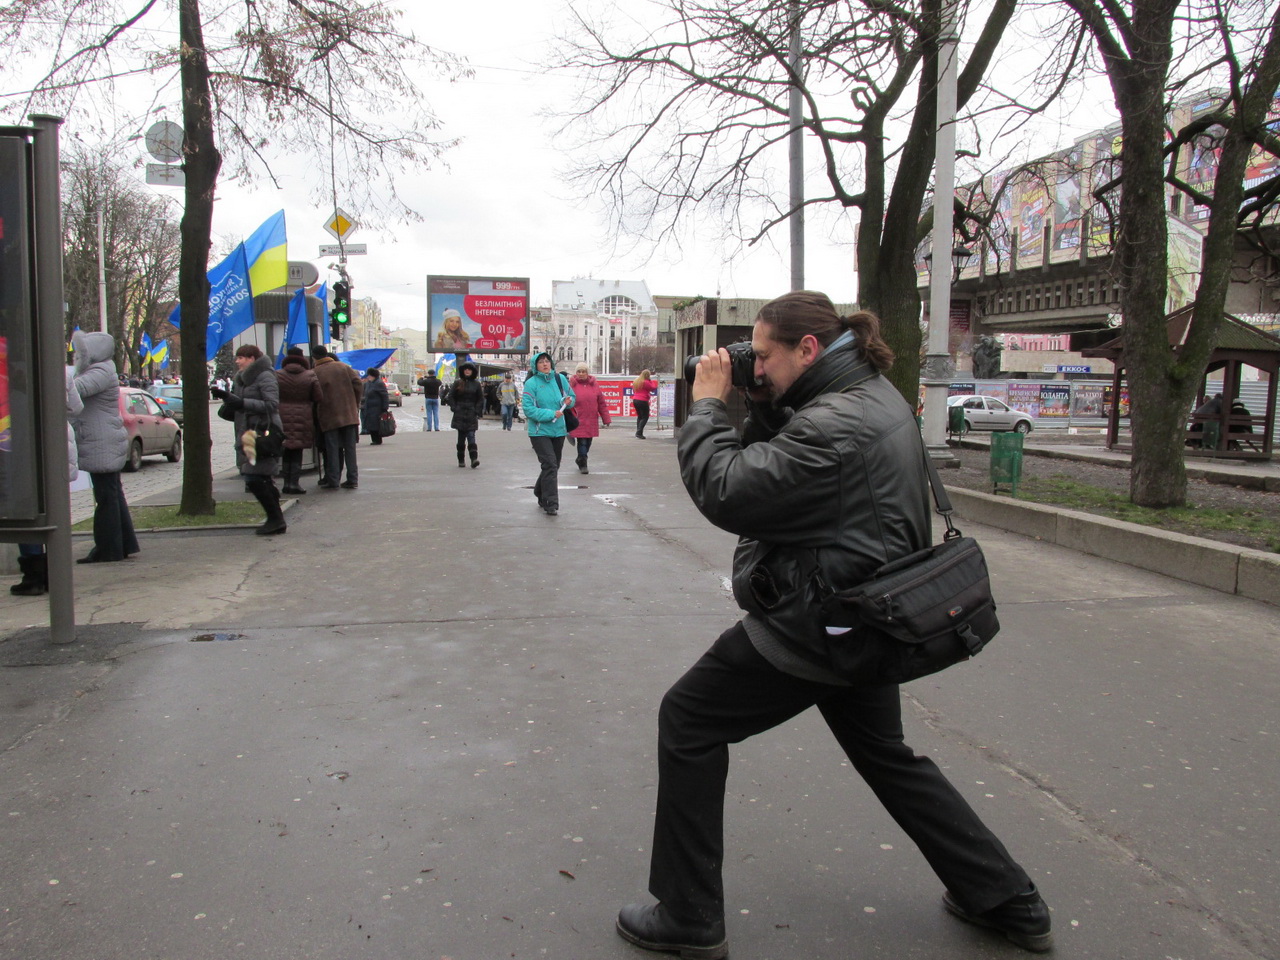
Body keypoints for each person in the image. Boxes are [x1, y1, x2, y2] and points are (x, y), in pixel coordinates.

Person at [615, 291, 1050, 959]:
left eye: (764, 355)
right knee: (887, 755)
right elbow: (790, 473)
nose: (756, 364)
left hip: (822, 623)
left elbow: (729, 490)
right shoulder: (869, 395)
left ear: (808, 348)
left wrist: (707, 408)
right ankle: (1008, 900)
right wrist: (764, 397)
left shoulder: (834, 425)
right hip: (872, 614)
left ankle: (688, 917)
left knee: (689, 720)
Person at [11, 364, 84, 594]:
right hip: (57, 439)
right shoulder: (60, 370)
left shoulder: (14, 370)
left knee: (25, 508)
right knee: (54, 508)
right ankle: (54, 571)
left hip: (25, 442)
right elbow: (76, 407)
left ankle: (34, 574)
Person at [70, 331, 139, 564]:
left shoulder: (99, 371)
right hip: (104, 439)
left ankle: (108, 548)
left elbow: (75, 390)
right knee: (112, 494)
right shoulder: (104, 369)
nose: (77, 356)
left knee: (106, 497)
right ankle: (122, 544)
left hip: (101, 441)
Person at [211, 344, 287, 536]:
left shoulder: (265, 375)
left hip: (263, 432)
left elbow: (272, 404)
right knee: (260, 477)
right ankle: (276, 519)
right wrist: (228, 397)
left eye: (241, 358)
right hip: (250, 432)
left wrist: (241, 402)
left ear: (252, 358)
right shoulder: (243, 378)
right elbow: (241, 404)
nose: (237, 361)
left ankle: (276, 519)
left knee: (254, 477)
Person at [521, 352, 575, 516]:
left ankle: (539, 490)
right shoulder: (531, 384)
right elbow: (528, 409)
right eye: (541, 362)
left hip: (558, 430)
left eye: (547, 361)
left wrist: (567, 401)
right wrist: (550, 414)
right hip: (539, 432)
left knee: (553, 465)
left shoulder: (560, 379)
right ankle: (551, 502)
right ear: (535, 366)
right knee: (550, 464)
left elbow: (571, 397)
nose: (545, 364)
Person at [311, 344, 363, 489]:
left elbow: (314, 394)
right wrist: (354, 402)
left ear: (314, 357)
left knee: (332, 449)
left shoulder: (315, 372)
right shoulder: (343, 367)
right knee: (350, 449)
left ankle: (333, 480)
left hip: (328, 415)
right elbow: (358, 383)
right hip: (349, 414)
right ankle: (352, 479)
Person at [276, 347, 323, 495]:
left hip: (282, 415)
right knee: (297, 450)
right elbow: (318, 397)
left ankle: (286, 483)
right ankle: (294, 483)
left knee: (286, 448)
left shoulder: (278, 375)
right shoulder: (310, 375)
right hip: (303, 415)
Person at [567, 363, 612, 474]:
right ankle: (583, 463)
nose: (581, 374)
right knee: (582, 441)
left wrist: (606, 419)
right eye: (579, 371)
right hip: (578, 420)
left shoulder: (594, 385)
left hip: (591, 419)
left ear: (587, 373)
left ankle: (580, 458)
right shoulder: (571, 385)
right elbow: (566, 403)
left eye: (583, 371)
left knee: (588, 442)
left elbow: (601, 403)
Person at [449, 361, 485, 468]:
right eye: (466, 369)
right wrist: (454, 407)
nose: (467, 371)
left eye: (469, 369)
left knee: (471, 436)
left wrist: (477, 410)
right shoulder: (457, 383)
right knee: (461, 438)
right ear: (463, 371)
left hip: (471, 413)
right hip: (459, 413)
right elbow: (450, 396)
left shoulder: (476, 384)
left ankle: (474, 459)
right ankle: (461, 459)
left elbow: (480, 398)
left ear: (473, 371)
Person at [361, 367, 391, 445]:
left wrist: (385, 407)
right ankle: (374, 439)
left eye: (369, 375)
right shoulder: (368, 383)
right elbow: (366, 394)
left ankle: (377, 440)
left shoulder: (379, 383)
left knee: (376, 424)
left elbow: (384, 396)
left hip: (377, 408)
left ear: (373, 375)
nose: (368, 377)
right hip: (369, 407)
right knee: (370, 424)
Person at [631, 369, 658, 439]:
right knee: (645, 417)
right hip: (643, 400)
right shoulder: (646, 382)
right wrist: (650, 380)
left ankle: (638, 432)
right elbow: (653, 388)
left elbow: (634, 390)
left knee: (640, 416)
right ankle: (639, 433)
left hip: (635, 400)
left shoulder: (636, 381)